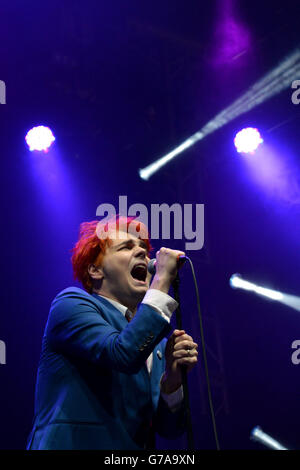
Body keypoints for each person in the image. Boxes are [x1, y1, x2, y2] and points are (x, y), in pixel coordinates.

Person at [26, 216, 198, 450]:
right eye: (126, 247)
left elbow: (169, 429)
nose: (142, 253)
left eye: (144, 249)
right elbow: (121, 353)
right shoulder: (71, 304)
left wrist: (172, 381)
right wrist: (161, 280)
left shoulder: (155, 342)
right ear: (95, 270)